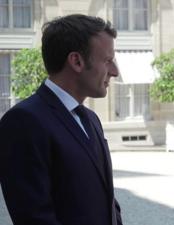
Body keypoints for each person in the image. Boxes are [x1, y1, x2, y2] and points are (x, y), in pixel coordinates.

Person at [0, 14, 123, 225]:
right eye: (108, 60)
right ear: (76, 61)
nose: (115, 71)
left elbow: (107, 200)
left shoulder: (91, 119)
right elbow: (34, 217)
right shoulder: (23, 122)